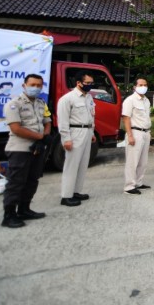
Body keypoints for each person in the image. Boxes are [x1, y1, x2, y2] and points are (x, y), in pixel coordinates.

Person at [0, 74, 52, 228]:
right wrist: (40, 137)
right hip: (20, 149)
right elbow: (16, 128)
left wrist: (42, 138)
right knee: (16, 182)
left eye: (38, 85)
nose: (35, 88)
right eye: (32, 84)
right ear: (24, 85)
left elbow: (47, 122)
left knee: (32, 180)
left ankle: (24, 209)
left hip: (37, 148)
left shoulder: (41, 103)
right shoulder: (14, 104)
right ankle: (9, 215)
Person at [57, 71, 96, 207]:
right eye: (87, 83)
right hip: (75, 132)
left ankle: (76, 191)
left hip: (87, 131)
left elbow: (91, 116)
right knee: (71, 165)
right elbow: (62, 121)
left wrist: (92, 133)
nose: (90, 85)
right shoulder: (67, 99)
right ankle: (66, 195)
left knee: (83, 164)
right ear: (78, 83)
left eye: (91, 83)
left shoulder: (89, 98)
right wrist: (66, 139)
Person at [122, 78, 152, 195]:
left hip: (146, 132)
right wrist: (130, 135)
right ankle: (129, 186)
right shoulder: (130, 100)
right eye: (140, 85)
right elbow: (126, 118)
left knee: (143, 161)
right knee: (132, 161)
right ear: (134, 87)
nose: (143, 86)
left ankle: (139, 182)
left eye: (145, 84)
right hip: (135, 133)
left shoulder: (146, 101)